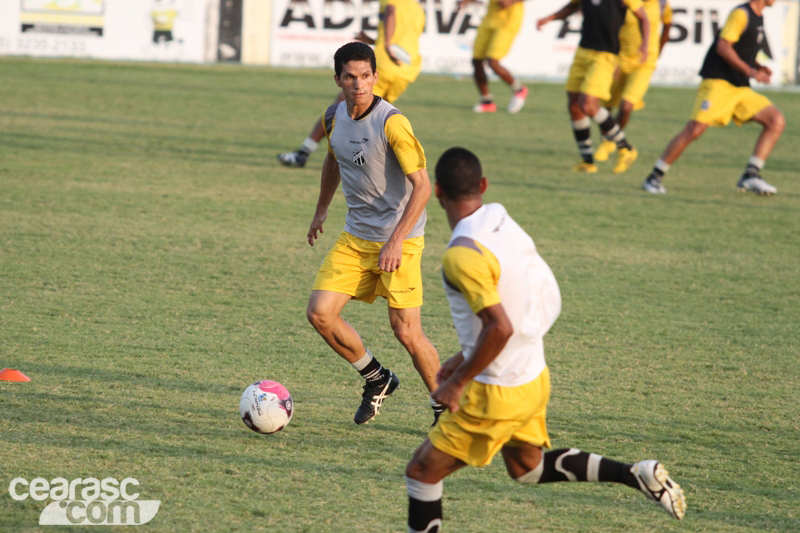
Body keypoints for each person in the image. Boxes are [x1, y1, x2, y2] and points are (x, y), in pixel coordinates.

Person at [404, 147, 687, 532]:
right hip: (533, 375)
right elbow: (522, 297)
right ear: (483, 185)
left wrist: (458, 381)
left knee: (422, 472)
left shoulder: (461, 255)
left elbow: (499, 326)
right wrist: (463, 356)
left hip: (496, 390)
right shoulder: (501, 219)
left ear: (437, 192)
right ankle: (636, 474)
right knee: (527, 468)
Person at [305, 42, 442, 425]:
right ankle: (377, 378)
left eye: (366, 76)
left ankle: (446, 408)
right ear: (338, 80)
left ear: (376, 77)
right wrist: (321, 209)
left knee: (407, 331)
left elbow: (423, 186)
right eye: (350, 77)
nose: (359, 84)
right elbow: (333, 159)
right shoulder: (333, 117)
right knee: (320, 314)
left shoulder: (391, 122)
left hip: (402, 239)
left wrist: (396, 240)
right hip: (356, 236)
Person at [642, 0, 784, 195]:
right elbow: (723, 46)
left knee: (776, 120)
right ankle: (654, 177)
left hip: (740, 88)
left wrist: (758, 67)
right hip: (719, 83)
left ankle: (751, 175)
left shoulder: (758, 16)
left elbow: (741, 49)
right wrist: (751, 71)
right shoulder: (741, 14)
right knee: (695, 129)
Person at [278, 0, 425, 168]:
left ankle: (302, 153)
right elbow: (405, 39)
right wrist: (373, 40)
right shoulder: (417, 9)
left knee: (341, 106)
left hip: (385, 64)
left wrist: (386, 45)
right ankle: (374, 161)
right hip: (406, 70)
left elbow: (391, 14)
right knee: (378, 115)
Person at [538, 0, 649, 174]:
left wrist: (644, 45)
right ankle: (587, 161)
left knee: (588, 105)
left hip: (605, 56)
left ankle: (626, 148)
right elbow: (572, 6)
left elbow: (643, 18)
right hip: (583, 51)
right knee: (574, 105)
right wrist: (549, 18)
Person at [595, 0, 673, 162]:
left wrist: (658, 51)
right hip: (620, 59)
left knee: (626, 105)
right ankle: (606, 139)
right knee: (606, 104)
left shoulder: (662, 4)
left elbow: (667, 26)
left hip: (644, 63)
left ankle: (610, 140)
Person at [458, 0, 529, 113]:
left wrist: (510, 1)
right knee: (476, 60)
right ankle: (487, 102)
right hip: (490, 18)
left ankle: (519, 89)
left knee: (493, 62)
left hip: (508, 20)